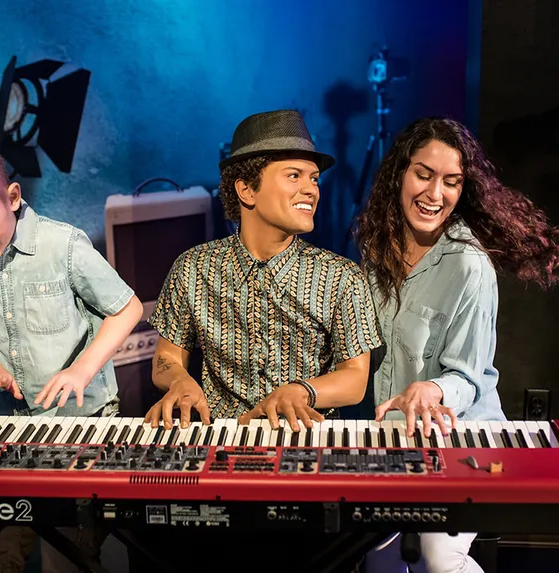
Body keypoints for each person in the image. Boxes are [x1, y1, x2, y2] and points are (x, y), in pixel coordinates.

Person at [131, 109, 383, 572]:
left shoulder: (342, 277)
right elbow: (165, 356)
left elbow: (354, 380)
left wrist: (301, 391)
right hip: (214, 466)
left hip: (306, 467)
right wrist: (182, 383)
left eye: (313, 177)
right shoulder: (193, 268)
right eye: (294, 175)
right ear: (246, 189)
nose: (312, 188)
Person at [353, 117, 559, 573]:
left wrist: (431, 390)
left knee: (437, 555)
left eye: (451, 182)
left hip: (464, 441)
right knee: (374, 556)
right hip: (396, 438)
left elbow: (468, 377)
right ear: (400, 174)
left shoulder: (470, 265)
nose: (435, 194)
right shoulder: (375, 250)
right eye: (424, 174)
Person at [0, 135, 143, 573]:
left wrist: (81, 370)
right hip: (8, 430)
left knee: (69, 555)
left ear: (13, 197)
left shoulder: (62, 245)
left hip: (80, 427)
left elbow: (128, 308)